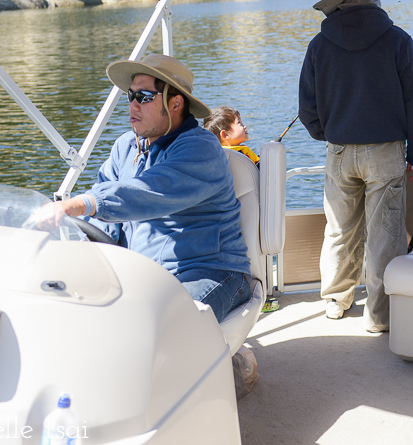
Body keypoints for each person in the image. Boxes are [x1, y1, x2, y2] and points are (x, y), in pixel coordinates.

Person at [37, 53, 252, 322]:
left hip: (211, 271)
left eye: (144, 97)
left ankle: (223, 356)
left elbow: (148, 191)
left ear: (175, 103)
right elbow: (105, 224)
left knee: (161, 323)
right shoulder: (125, 147)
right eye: (131, 95)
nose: (133, 105)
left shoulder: (201, 148)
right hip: (144, 275)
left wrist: (80, 204)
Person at [298, 0, 413, 333]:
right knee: (384, 235)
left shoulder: (319, 45)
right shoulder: (399, 41)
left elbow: (306, 107)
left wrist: (328, 133)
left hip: (339, 150)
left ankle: (335, 301)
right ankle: (379, 316)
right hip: (386, 152)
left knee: (340, 229)